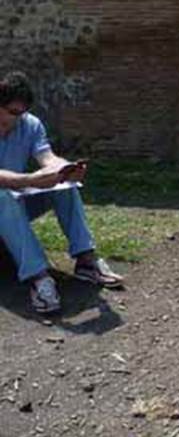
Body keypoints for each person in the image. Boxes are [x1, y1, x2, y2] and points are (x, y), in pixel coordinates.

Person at [0, 71, 123, 314]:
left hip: (13, 201)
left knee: (64, 187)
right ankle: (38, 277)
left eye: (21, 113)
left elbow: (47, 157)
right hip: (5, 199)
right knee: (1, 196)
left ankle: (86, 259)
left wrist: (65, 170)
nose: (16, 119)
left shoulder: (29, 124)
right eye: (12, 112)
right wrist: (31, 179)